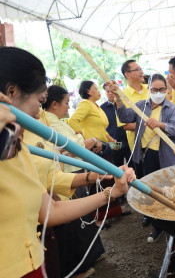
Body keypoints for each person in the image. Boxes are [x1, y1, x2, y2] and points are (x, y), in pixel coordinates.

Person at [0, 46, 135, 278]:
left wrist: (110, 191)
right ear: (11, 92)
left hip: (32, 263)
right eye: (39, 100)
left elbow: (51, 209)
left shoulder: (16, 146)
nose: (37, 113)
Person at [114, 74, 175, 243]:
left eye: (161, 89)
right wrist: (118, 99)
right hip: (146, 156)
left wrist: (161, 125)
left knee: (169, 188)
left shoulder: (171, 108)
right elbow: (125, 117)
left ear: (166, 90)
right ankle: (156, 224)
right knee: (150, 190)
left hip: (166, 156)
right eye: (154, 89)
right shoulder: (141, 106)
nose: (158, 93)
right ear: (149, 89)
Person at [42, 85, 103, 172]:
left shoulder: (55, 120)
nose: (69, 107)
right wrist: (93, 140)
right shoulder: (51, 121)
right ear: (54, 104)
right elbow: (73, 147)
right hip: (71, 170)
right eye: (66, 103)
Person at [69, 80, 116, 158]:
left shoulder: (97, 106)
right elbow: (73, 120)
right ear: (88, 91)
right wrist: (84, 141)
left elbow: (102, 130)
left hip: (103, 147)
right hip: (94, 149)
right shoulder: (86, 103)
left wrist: (113, 142)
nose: (98, 91)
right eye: (96, 89)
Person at [120, 59, 149, 178]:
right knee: (145, 179)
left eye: (141, 69)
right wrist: (148, 125)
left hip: (159, 143)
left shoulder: (151, 89)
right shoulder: (122, 95)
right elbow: (125, 125)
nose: (141, 72)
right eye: (137, 70)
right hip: (139, 148)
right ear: (127, 74)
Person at [101, 82, 131, 167]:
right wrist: (111, 142)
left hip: (128, 139)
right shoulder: (102, 108)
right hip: (114, 142)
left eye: (112, 90)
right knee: (118, 167)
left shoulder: (125, 104)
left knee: (132, 165)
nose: (111, 93)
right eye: (108, 91)